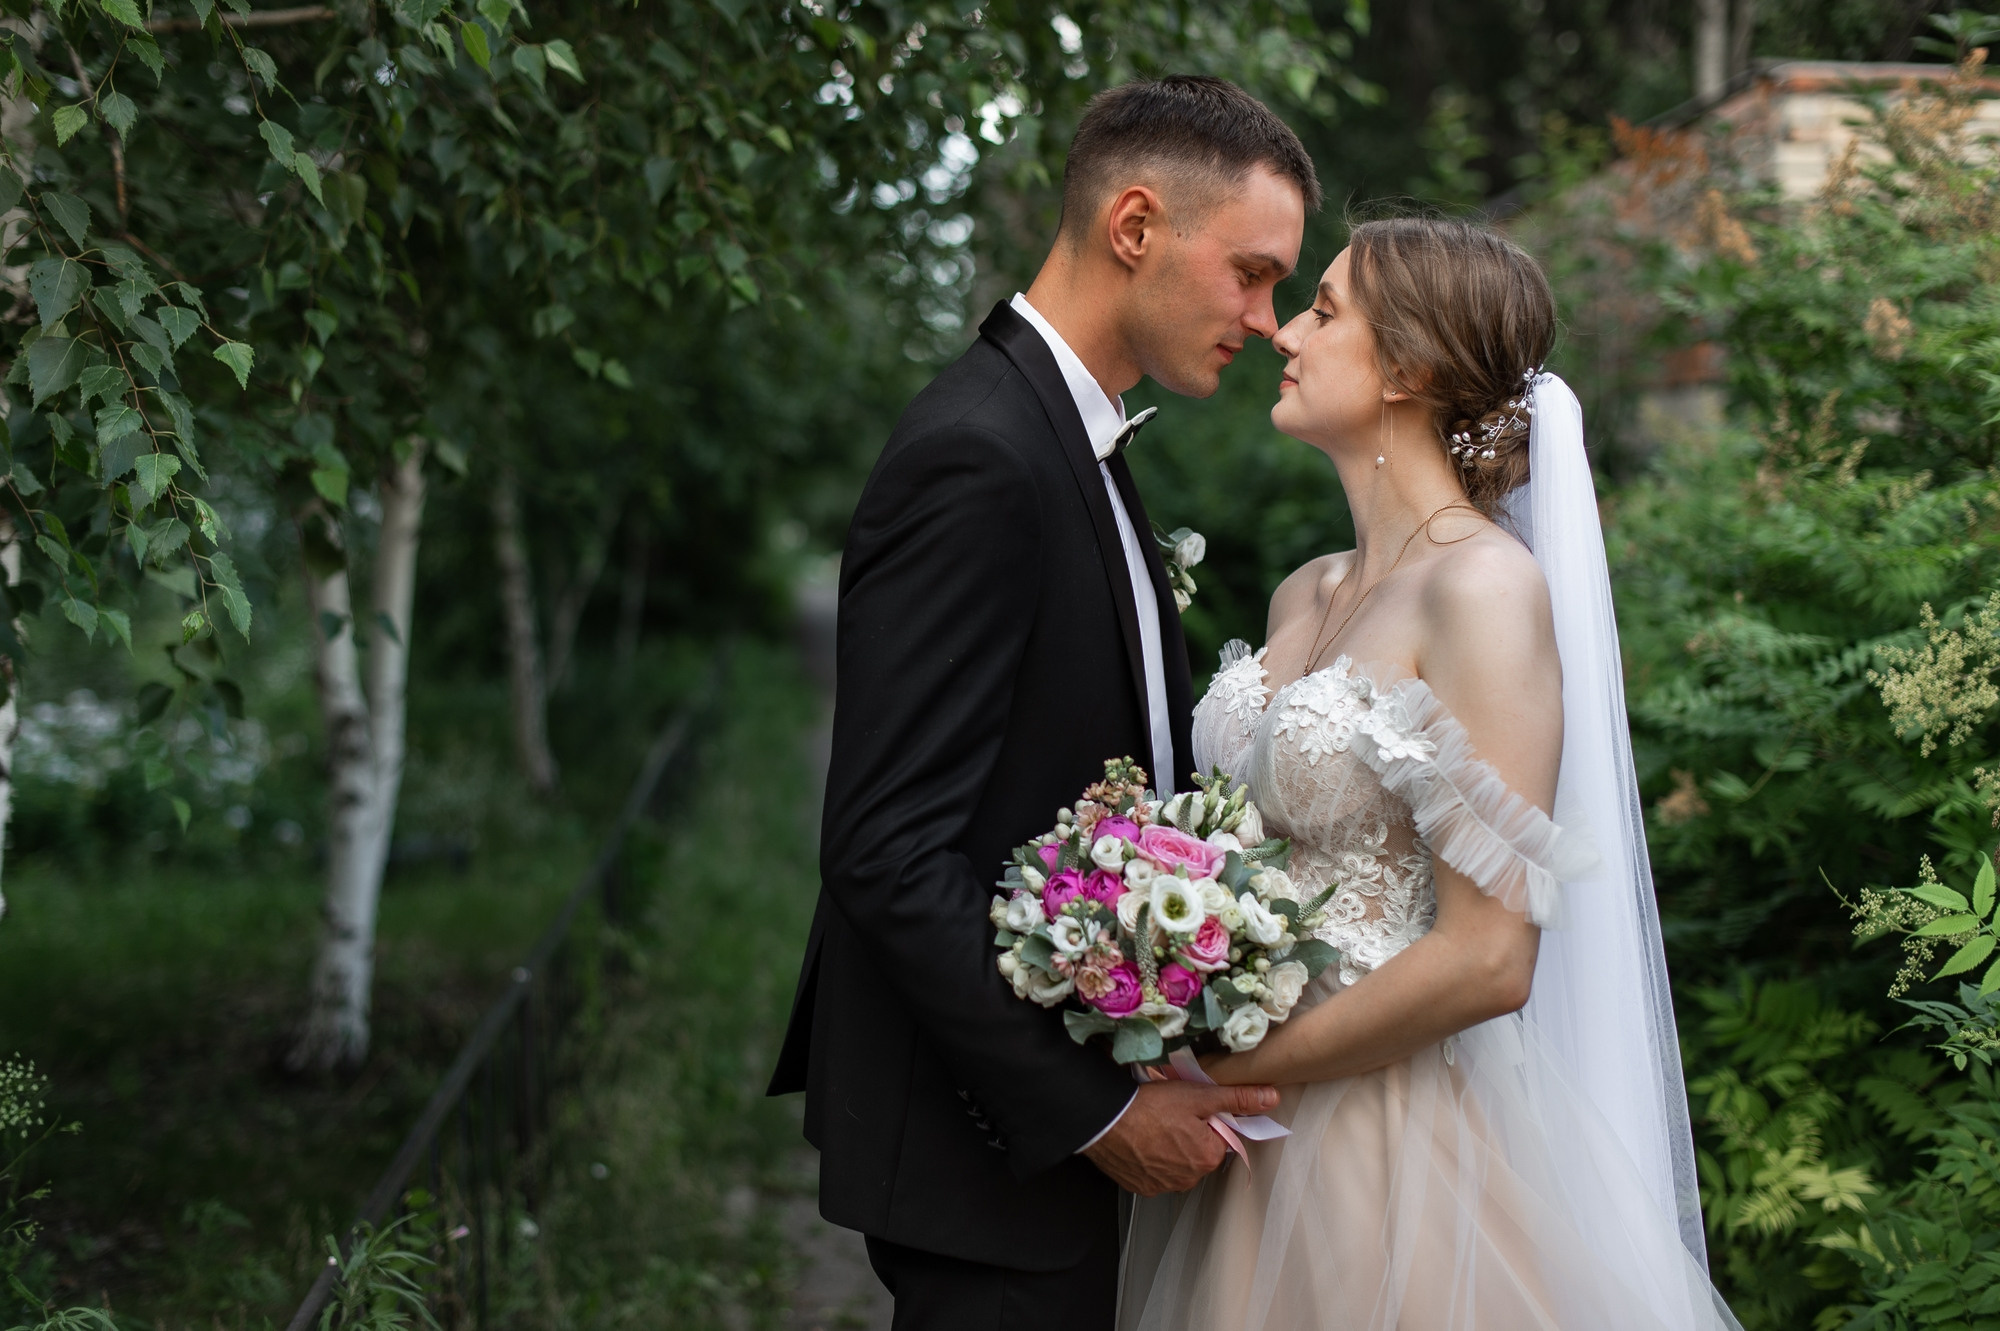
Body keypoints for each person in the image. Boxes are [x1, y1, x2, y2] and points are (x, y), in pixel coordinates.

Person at [1118, 216, 1744, 1329]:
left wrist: (1228, 1062)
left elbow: (1489, 954)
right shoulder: (1304, 591)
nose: (1284, 335)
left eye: (1322, 310)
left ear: (1404, 366)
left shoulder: (1483, 591)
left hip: (1377, 1145)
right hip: (1241, 1143)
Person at [766, 76, 1318, 1329]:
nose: (1267, 319)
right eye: (1249, 272)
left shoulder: (1072, 440)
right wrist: (1098, 1113)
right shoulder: (978, 452)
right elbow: (885, 848)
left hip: (1047, 1151)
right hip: (991, 1155)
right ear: (1134, 226)